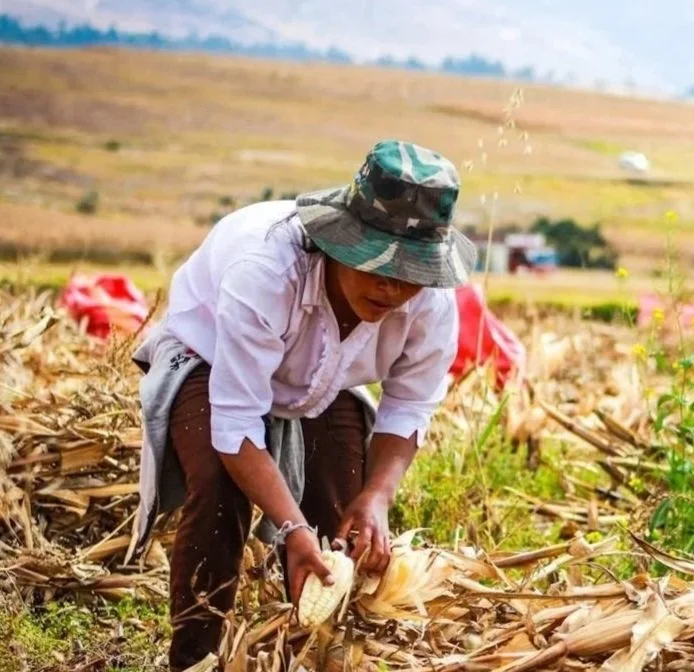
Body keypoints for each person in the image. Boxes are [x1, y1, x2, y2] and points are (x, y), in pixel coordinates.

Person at [127, 139, 477, 670]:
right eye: (377, 267)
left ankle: (314, 653)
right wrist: (290, 528)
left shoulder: (429, 302)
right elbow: (237, 422)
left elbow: (408, 405)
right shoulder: (266, 270)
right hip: (210, 357)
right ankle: (194, 656)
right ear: (340, 243)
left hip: (325, 377)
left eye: (409, 274)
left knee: (344, 511)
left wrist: (377, 497)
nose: (392, 289)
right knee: (221, 485)